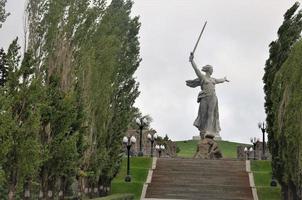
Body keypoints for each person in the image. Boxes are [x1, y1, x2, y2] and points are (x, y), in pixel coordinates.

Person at [186, 53, 229, 139]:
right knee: (203, 114)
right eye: (212, 69)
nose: (212, 71)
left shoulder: (213, 80)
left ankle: (209, 132)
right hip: (204, 97)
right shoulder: (203, 77)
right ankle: (203, 131)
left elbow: (219, 80)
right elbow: (196, 70)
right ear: (208, 70)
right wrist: (192, 61)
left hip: (213, 97)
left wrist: (224, 79)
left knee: (211, 114)